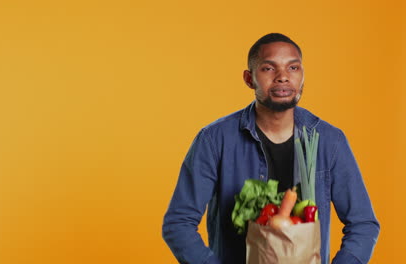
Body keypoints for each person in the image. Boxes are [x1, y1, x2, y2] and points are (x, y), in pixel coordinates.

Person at [162, 33, 379, 264]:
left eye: (293, 68)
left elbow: (363, 224)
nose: (283, 77)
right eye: (268, 68)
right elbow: (179, 223)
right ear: (249, 78)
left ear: (303, 77)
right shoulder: (214, 140)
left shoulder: (329, 140)